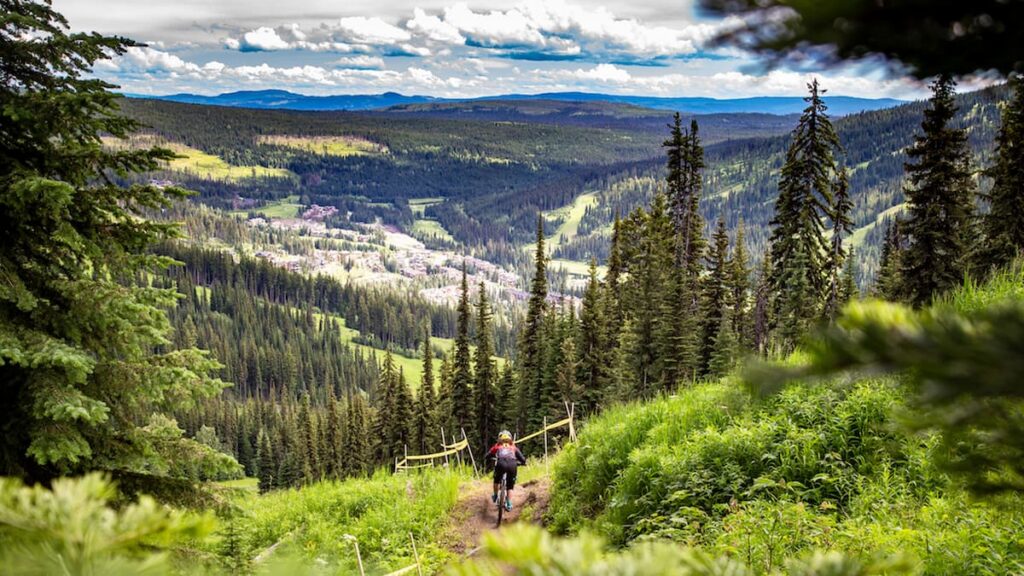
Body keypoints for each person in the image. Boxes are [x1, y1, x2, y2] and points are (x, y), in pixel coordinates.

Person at [486, 430, 526, 512]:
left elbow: (488, 455)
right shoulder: (513, 447)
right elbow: (523, 459)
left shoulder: (497, 446)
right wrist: (522, 463)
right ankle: (509, 502)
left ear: (499, 439)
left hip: (500, 464)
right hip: (512, 465)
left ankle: (495, 495)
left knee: (496, 480)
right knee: (510, 485)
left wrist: (488, 458)